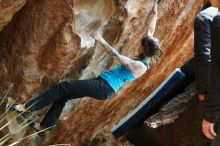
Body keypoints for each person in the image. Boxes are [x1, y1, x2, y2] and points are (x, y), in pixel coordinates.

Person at [7, 0, 162, 137]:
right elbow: (151, 27)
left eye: (140, 46)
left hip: (104, 87)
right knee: (64, 95)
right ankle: (43, 127)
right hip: (102, 83)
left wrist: (101, 39)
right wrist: (155, 5)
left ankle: (27, 108)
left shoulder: (140, 66)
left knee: (64, 87)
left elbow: (118, 56)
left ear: (145, 50)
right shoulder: (146, 52)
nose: (137, 46)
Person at [194, 0, 220, 145]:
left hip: (213, 94)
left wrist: (202, 91)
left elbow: (204, 57)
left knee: (208, 137)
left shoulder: (205, 17)